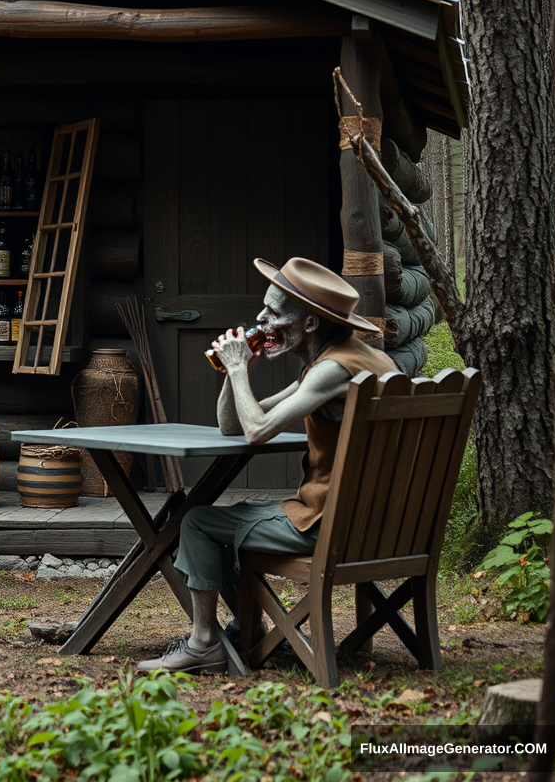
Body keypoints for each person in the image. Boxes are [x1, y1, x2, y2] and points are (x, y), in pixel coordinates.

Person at [137, 256, 397, 674]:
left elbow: (256, 433)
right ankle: (249, 628)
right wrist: (236, 372)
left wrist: (239, 368)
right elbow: (231, 426)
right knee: (233, 518)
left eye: (274, 312)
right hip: (382, 527)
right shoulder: (358, 360)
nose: (261, 318)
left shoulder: (332, 370)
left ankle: (205, 644)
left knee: (198, 522)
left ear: (310, 324)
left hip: (329, 526)